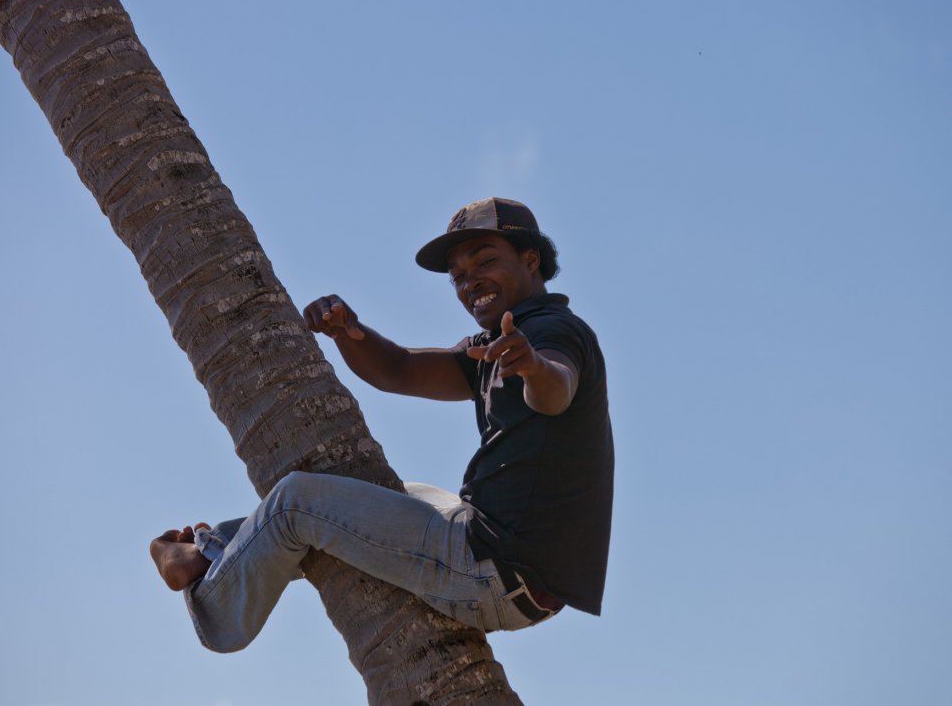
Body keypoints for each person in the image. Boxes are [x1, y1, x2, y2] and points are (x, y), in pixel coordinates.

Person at [149, 197, 614, 652]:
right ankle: (218, 547)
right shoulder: (495, 343)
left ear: (531, 260)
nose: (471, 282)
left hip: (491, 571)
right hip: (499, 553)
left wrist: (533, 366)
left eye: (486, 261)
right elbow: (399, 369)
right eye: (458, 276)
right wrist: (348, 331)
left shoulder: (551, 332)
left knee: (297, 502)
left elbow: (557, 390)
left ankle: (213, 594)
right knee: (363, 486)